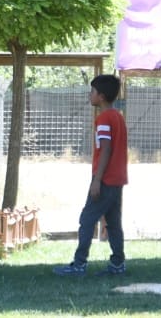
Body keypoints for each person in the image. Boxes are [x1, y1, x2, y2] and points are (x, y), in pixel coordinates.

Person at [55, 74, 128, 276]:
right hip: (117, 179)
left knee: (87, 220)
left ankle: (79, 264)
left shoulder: (104, 118)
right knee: (113, 223)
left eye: (92, 92)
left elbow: (105, 149)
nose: (90, 95)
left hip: (105, 179)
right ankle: (117, 264)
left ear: (101, 96)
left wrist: (97, 180)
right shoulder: (118, 117)